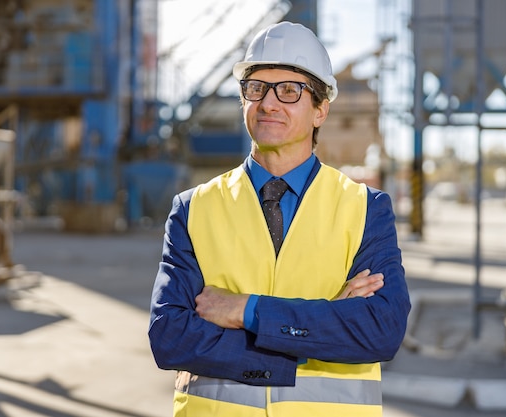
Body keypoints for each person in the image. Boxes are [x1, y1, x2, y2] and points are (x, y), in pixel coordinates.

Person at [149, 21, 411, 417]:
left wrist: (246, 310)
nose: (268, 103)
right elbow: (170, 338)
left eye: (289, 90)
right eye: (256, 88)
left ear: (321, 109)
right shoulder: (193, 208)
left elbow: (379, 331)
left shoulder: (365, 208)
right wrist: (318, 331)